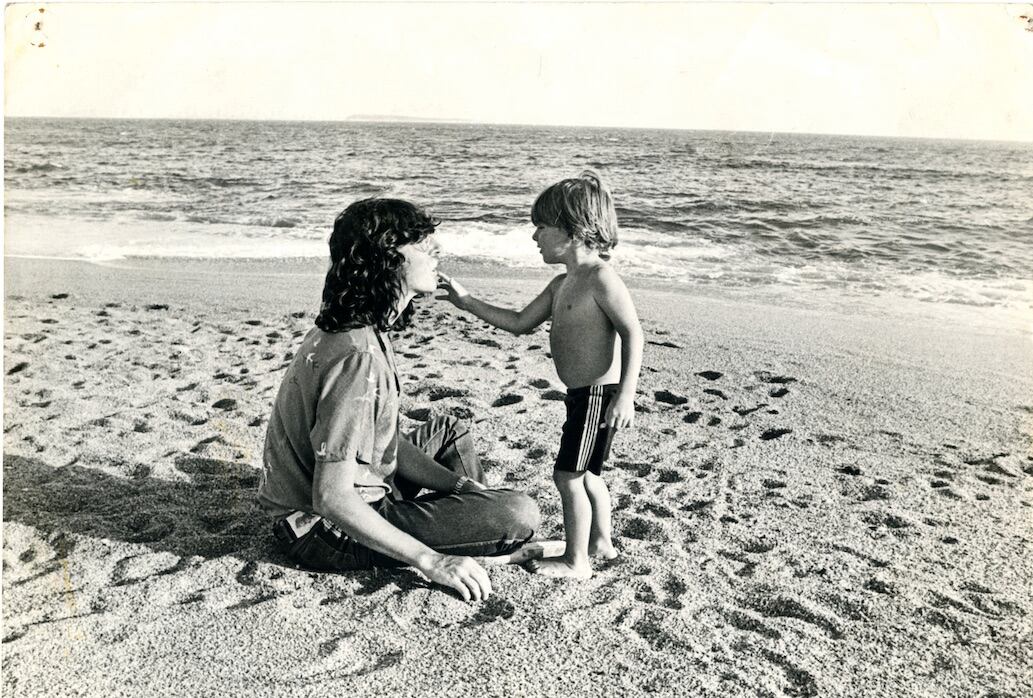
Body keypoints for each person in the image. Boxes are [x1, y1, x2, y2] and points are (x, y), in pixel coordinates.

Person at [259, 198, 540, 601]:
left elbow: (383, 441)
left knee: (449, 431)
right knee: (519, 513)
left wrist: (462, 487)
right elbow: (331, 496)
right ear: (386, 258)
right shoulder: (357, 357)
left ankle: (474, 532)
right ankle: (468, 545)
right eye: (421, 244)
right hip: (321, 530)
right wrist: (431, 561)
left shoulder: (366, 331)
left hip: (360, 492)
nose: (437, 251)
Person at [438, 171, 644, 579]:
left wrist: (627, 395)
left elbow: (633, 332)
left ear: (573, 230)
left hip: (599, 394)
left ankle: (576, 560)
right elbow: (517, 322)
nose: (535, 236)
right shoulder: (560, 284)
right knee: (589, 474)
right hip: (581, 395)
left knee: (567, 476)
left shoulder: (601, 278)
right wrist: (466, 302)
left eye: (541, 227)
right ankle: (600, 541)